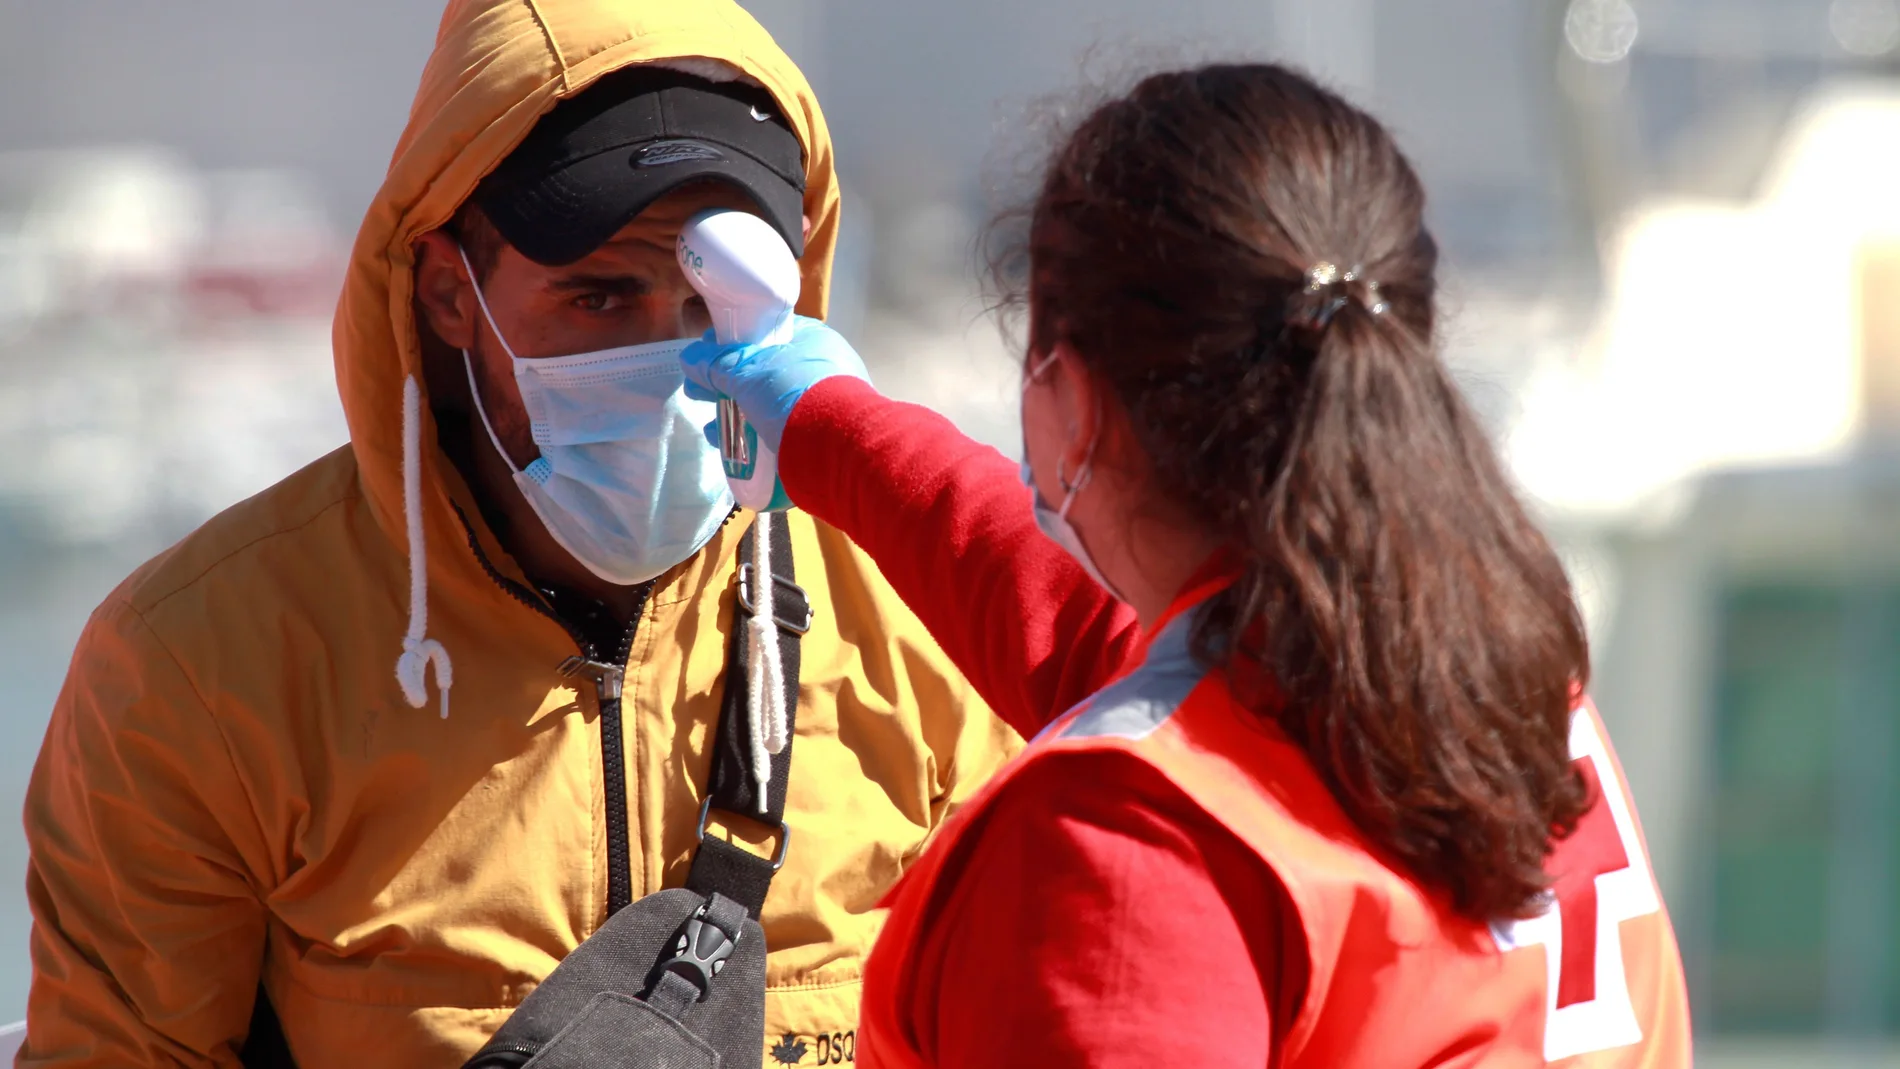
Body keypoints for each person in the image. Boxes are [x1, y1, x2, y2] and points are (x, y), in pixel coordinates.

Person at [20, 2, 1021, 1065]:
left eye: (709, 306)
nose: (666, 361)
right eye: (598, 296)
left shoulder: (924, 627)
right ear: (450, 292)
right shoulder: (200, 665)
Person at [683, 63, 1694, 1066]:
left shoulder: (1125, 841)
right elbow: (1093, 640)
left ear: (1071, 397)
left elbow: (1151, 744)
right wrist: (829, 425)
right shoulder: (1490, 685)